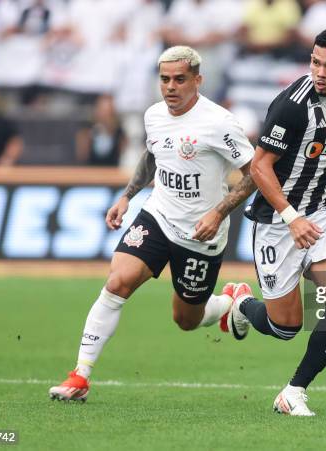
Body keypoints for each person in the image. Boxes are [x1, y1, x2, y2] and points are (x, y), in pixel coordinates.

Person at [49, 45, 256, 402]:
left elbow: (256, 174)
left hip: (200, 234)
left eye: (179, 79)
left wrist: (219, 212)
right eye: (164, 79)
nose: (170, 87)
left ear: (198, 80)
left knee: (186, 320)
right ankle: (80, 375)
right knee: (117, 282)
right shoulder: (154, 116)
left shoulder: (220, 123)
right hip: (158, 214)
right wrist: (127, 195)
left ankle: (228, 303)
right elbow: (152, 154)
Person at [221, 28, 326, 416]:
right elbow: (259, 166)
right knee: (284, 328)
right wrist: (291, 218)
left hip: (322, 211)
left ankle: (293, 392)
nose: (319, 72)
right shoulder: (291, 105)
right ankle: (240, 303)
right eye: (314, 62)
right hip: (277, 220)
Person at [75, 94, 127, 166]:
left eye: (108, 112)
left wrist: (109, 130)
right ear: (97, 110)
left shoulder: (119, 131)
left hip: (113, 171)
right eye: (103, 111)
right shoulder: (87, 128)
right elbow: (82, 155)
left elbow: (124, 155)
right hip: (90, 171)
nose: (105, 115)